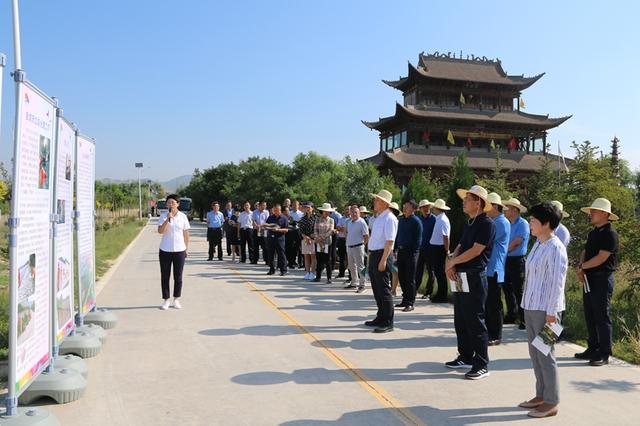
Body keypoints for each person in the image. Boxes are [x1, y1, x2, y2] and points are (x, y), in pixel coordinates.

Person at [519, 202, 567, 418]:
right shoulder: (538, 243)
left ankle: (552, 401)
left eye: (534, 221)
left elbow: (557, 283)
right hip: (530, 306)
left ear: (546, 224)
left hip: (547, 311)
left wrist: (551, 314)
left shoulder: (556, 248)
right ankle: (541, 394)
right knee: (535, 353)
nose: (530, 223)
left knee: (546, 354)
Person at [445, 185, 495, 380]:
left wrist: (453, 262)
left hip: (474, 276)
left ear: (478, 203)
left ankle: (481, 363)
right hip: (461, 275)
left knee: (475, 320)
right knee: (461, 318)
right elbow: (461, 245)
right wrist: (451, 262)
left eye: (468, 199)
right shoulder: (470, 222)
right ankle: (465, 355)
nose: (464, 202)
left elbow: (476, 250)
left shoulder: (486, 223)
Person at [575, 198, 619, 367]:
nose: (591, 214)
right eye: (591, 210)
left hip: (602, 278)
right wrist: (581, 267)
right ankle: (593, 348)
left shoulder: (610, 233)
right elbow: (585, 251)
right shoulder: (594, 232)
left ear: (605, 214)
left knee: (602, 315)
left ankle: (604, 352)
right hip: (589, 277)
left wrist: (582, 267)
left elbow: (602, 257)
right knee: (590, 313)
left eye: (595, 211)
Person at [364, 190, 398, 333]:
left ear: (384, 203)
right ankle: (381, 316)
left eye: (377, 200)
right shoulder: (379, 217)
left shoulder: (389, 218)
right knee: (377, 289)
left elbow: (390, 241)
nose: (374, 202)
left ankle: (388, 322)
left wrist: (383, 260)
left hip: (382, 255)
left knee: (384, 290)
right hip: (374, 255)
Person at [485, 193, 511, 345]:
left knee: (494, 304)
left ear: (495, 206)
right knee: (488, 303)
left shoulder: (501, 222)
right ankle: (490, 332)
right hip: (489, 267)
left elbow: (487, 241)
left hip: (494, 268)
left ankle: (496, 335)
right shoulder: (494, 221)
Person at [157, 194, 190, 310]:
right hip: (165, 250)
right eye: (169, 202)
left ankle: (176, 299)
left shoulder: (183, 217)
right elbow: (160, 231)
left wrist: (186, 248)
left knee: (178, 276)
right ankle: (166, 299)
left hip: (180, 250)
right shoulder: (163, 216)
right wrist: (167, 219)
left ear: (178, 204)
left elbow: (186, 234)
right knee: (165, 276)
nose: (170, 204)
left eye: (173, 202)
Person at [503, 197, 530, 329]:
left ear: (514, 210)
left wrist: (503, 251)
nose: (505, 210)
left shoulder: (522, 223)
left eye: (507, 208)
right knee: (507, 288)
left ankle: (523, 318)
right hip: (507, 259)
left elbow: (516, 242)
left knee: (518, 290)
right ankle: (511, 315)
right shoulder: (508, 223)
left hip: (517, 260)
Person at [394, 199, 423, 312]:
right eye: (405, 204)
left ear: (414, 209)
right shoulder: (401, 220)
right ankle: (405, 299)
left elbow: (418, 239)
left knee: (410, 278)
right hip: (401, 252)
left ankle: (410, 302)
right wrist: (396, 248)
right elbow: (398, 235)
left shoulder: (416, 221)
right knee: (402, 277)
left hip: (411, 253)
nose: (405, 207)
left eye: (408, 205)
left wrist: (413, 251)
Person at [429, 199, 451, 303]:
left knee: (440, 273)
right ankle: (440, 294)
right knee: (438, 272)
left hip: (439, 248)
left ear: (437, 208)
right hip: (436, 248)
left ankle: (442, 296)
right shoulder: (439, 218)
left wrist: (446, 250)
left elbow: (445, 236)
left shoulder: (442, 220)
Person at [345, 205, 369, 293]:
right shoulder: (349, 222)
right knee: (351, 266)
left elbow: (366, 236)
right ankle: (354, 282)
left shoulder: (362, 222)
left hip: (358, 246)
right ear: (350, 213)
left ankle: (362, 284)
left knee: (361, 267)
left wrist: (362, 245)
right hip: (350, 247)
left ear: (359, 213)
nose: (354, 214)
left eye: (356, 212)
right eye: (352, 212)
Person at [415, 199, 436, 300]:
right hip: (420, 249)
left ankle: (428, 292)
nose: (426, 209)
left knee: (431, 271)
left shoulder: (434, 219)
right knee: (418, 271)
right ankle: (415, 290)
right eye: (423, 207)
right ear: (420, 209)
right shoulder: (418, 220)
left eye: (427, 207)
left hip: (431, 249)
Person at [265, 204, 289, 276]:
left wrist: (278, 229)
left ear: (280, 210)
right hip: (270, 238)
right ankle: (271, 269)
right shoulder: (270, 217)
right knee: (270, 254)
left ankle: (283, 270)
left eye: (277, 210)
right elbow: (266, 225)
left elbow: (287, 229)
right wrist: (267, 227)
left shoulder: (284, 218)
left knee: (281, 254)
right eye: (274, 210)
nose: (275, 212)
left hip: (280, 238)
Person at [314, 203, 335, 283]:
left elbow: (331, 230)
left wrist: (322, 237)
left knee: (327, 260)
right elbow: (315, 230)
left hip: (327, 242)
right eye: (325, 211)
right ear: (322, 211)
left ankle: (329, 278)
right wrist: (318, 238)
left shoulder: (331, 220)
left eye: (328, 211)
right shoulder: (317, 219)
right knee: (319, 259)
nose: (326, 213)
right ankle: (318, 277)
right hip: (318, 242)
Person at [299, 202, 317, 280]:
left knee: (313, 256)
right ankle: (307, 272)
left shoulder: (316, 218)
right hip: (305, 239)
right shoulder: (303, 218)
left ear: (312, 208)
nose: (307, 209)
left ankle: (312, 272)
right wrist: (305, 237)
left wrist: (310, 237)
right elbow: (300, 230)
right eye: (306, 207)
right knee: (306, 256)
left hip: (313, 239)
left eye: (309, 207)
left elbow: (317, 229)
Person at [335, 207, 350, 278]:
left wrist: (343, 229)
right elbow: (337, 227)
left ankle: (351, 275)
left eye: (348, 209)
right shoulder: (341, 218)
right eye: (346, 209)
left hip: (349, 240)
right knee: (341, 257)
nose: (347, 211)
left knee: (350, 258)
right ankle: (341, 273)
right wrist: (344, 229)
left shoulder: (352, 219)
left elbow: (348, 230)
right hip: (341, 239)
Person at [290, 200, 305, 268]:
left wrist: (297, 222)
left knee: (299, 248)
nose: (294, 206)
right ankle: (292, 262)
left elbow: (302, 223)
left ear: (298, 206)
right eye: (293, 205)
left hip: (299, 232)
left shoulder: (301, 214)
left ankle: (300, 262)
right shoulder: (290, 213)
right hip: (291, 231)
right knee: (292, 247)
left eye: (296, 205)